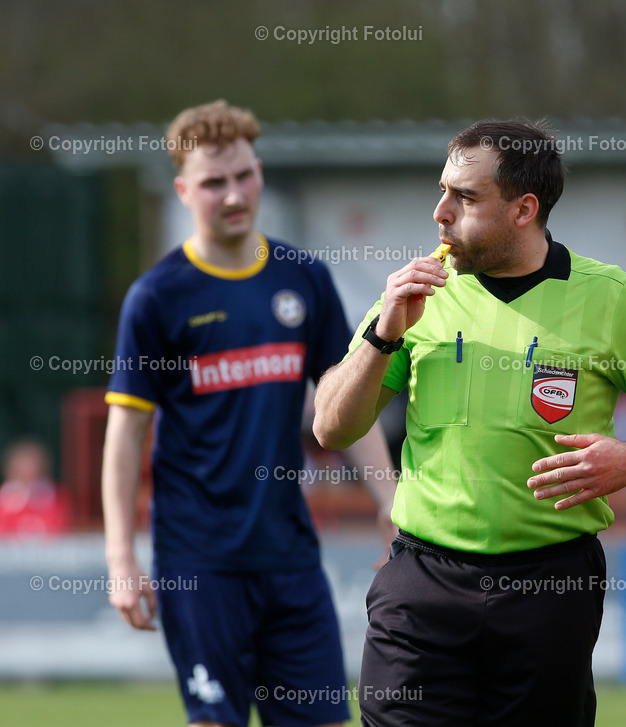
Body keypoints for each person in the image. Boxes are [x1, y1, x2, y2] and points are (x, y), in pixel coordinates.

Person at [313, 119, 626, 727]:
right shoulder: (418, 291)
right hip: (421, 583)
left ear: (524, 209)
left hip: (550, 586)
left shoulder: (614, 300)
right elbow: (330, 428)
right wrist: (383, 334)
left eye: (465, 197)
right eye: (443, 190)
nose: (440, 212)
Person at [102, 100, 396, 727]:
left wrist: (389, 501)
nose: (232, 195)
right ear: (183, 190)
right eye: (213, 182)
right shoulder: (157, 297)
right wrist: (120, 559)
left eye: (243, 176)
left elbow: (343, 399)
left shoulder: (304, 279)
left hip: (290, 557)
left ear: (259, 173)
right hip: (197, 562)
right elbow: (124, 434)